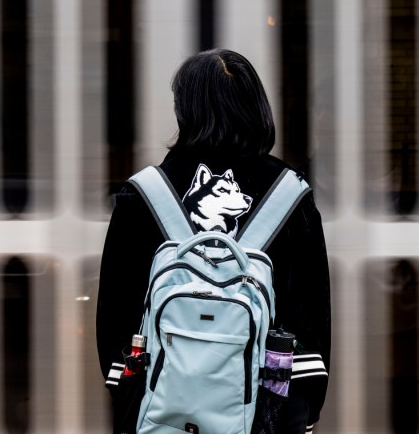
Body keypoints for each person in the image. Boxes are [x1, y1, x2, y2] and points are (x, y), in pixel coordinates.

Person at [96, 49, 331, 433]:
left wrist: (131, 398)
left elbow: (115, 320)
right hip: (271, 411)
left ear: (184, 109)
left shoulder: (141, 195)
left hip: (163, 411)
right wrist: (302, 410)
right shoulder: (292, 194)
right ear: (257, 106)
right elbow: (313, 321)